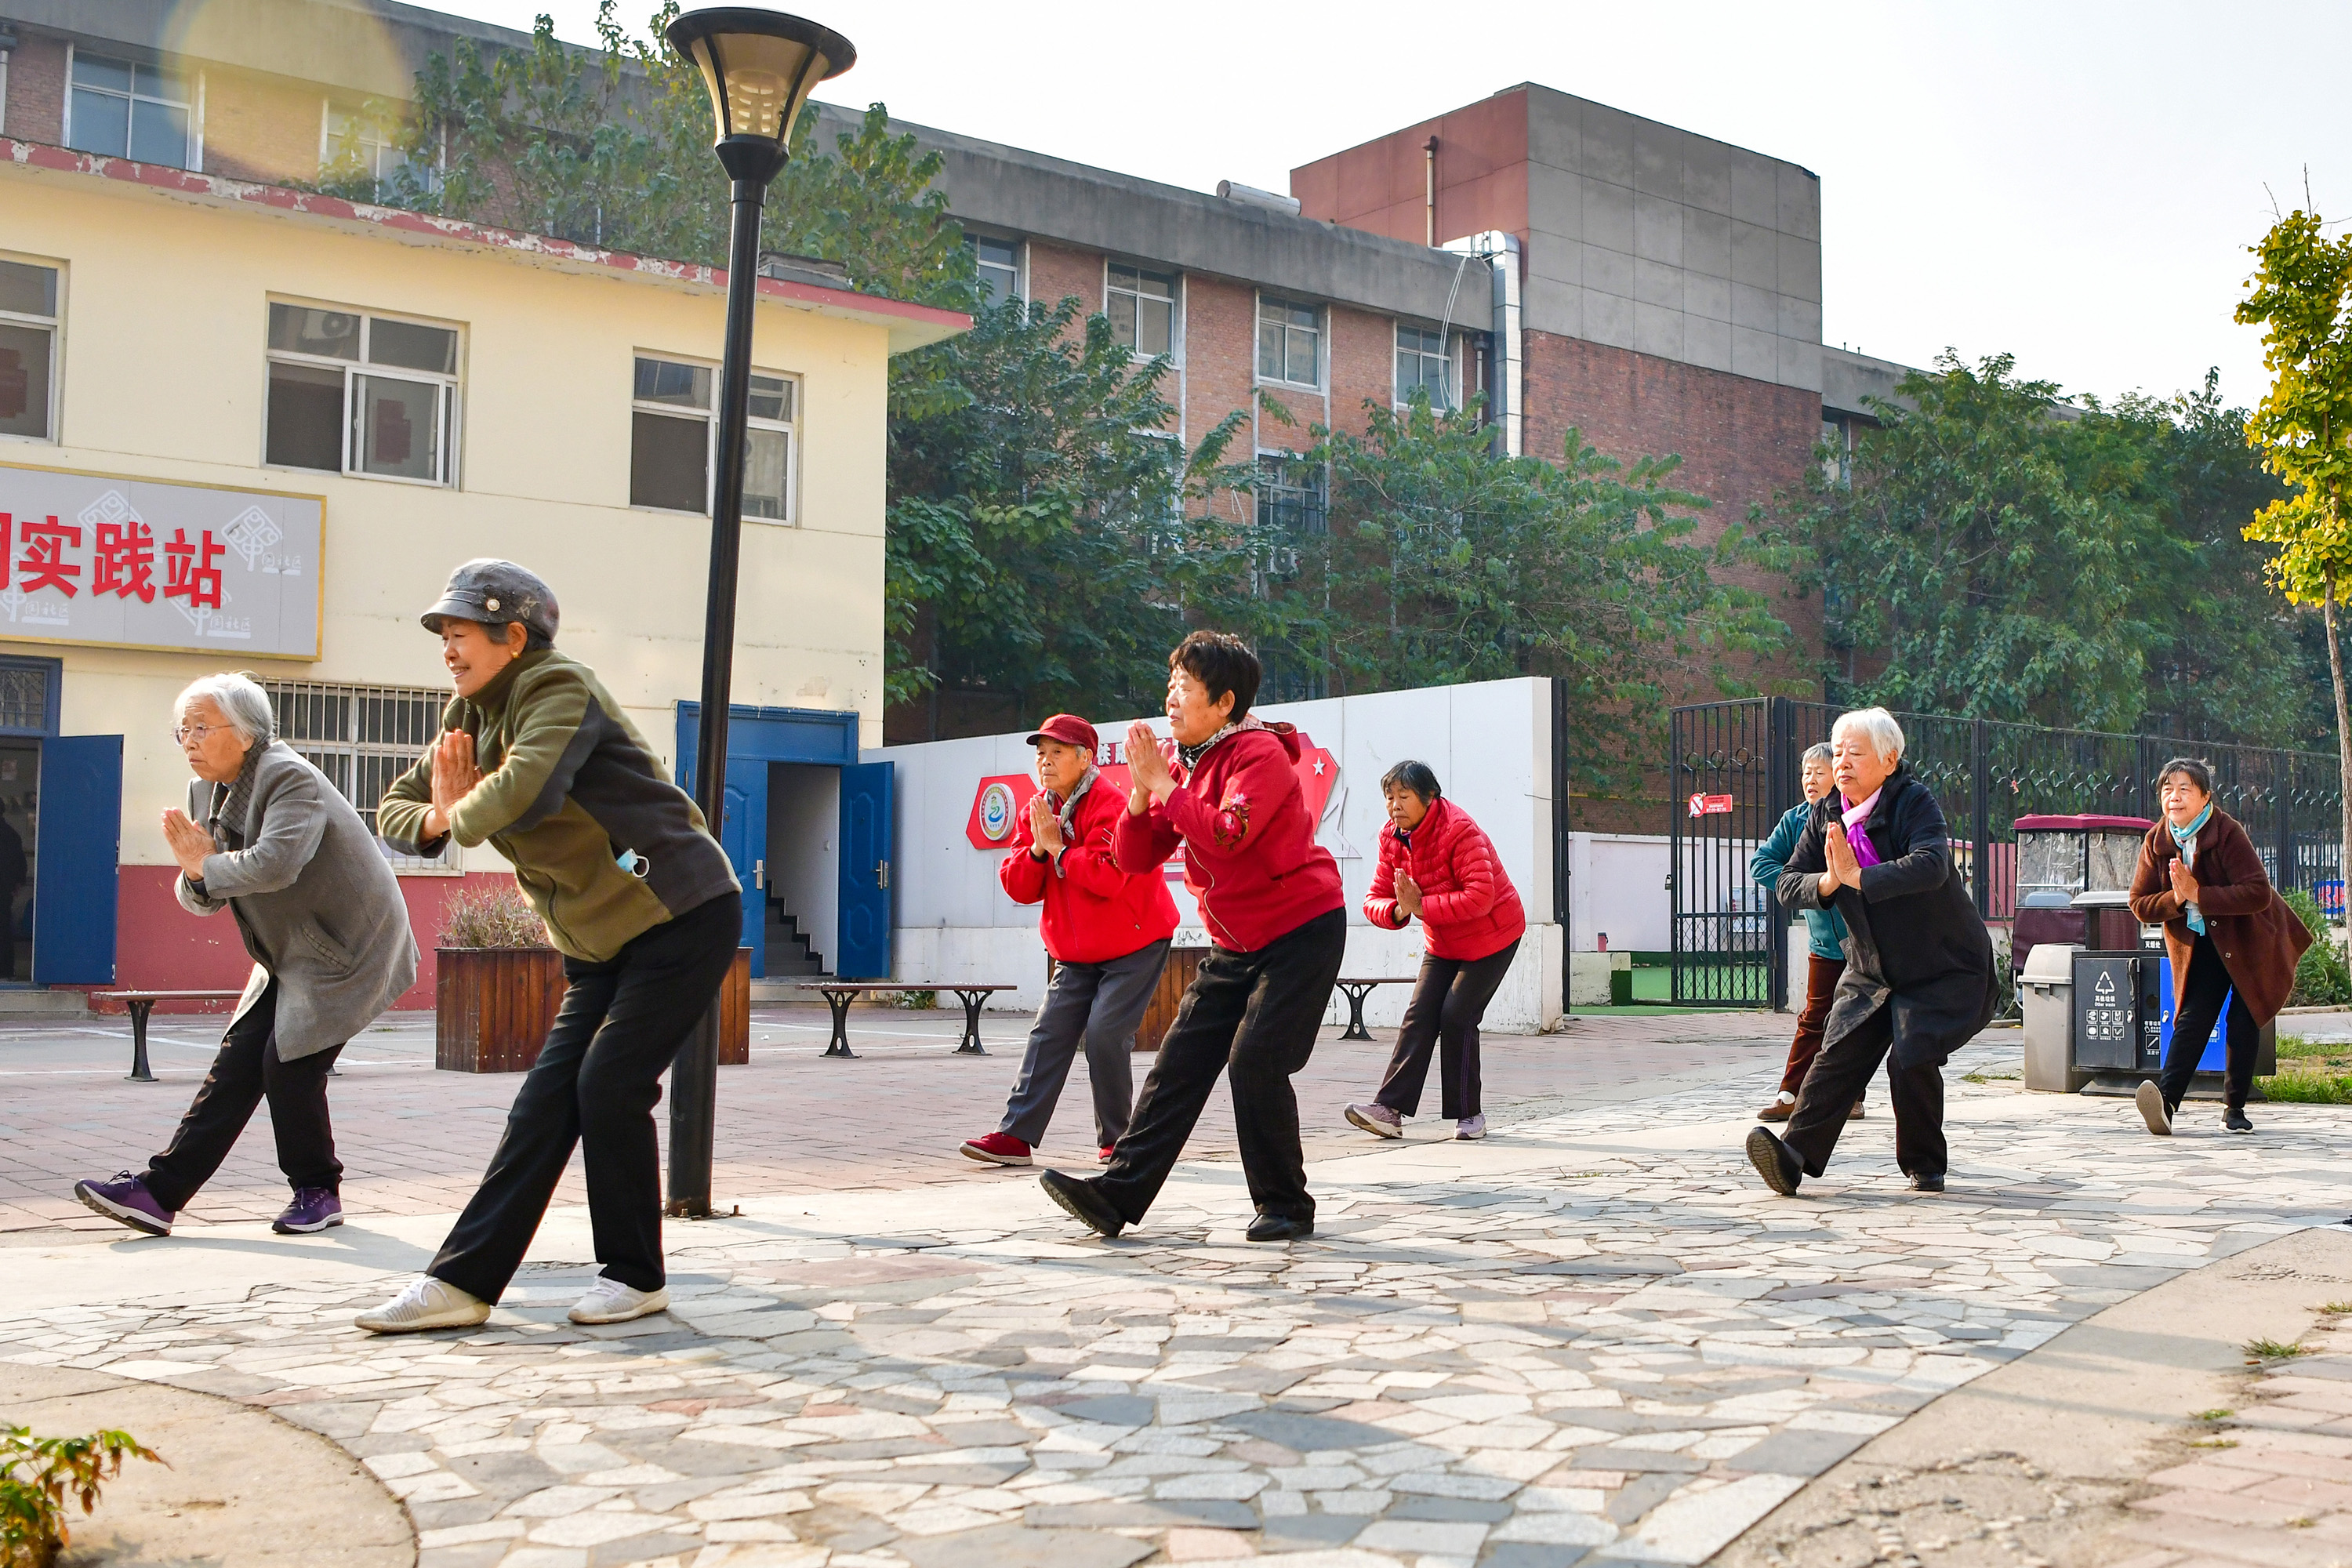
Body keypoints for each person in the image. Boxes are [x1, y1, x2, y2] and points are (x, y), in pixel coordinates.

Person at [356, 561, 741, 1334]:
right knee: (542, 1105)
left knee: (607, 1084)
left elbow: (527, 787)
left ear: (515, 637)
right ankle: (462, 1281)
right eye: (446, 637)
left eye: (460, 634)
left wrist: (452, 809)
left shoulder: (558, 687)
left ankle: (634, 1275)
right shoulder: (466, 714)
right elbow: (396, 808)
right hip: (599, 938)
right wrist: (437, 819)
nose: (449, 650)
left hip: (678, 904)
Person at [74, 673, 418, 1238]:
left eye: (201, 727)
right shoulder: (202, 790)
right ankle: (159, 1194)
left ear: (246, 732)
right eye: (181, 729)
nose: (188, 739)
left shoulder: (289, 778)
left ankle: (317, 1192)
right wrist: (197, 873)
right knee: (237, 1065)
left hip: (347, 948)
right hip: (288, 952)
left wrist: (203, 868)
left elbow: (275, 864)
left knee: (287, 1065)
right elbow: (204, 891)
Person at [1036, 632, 1345, 1243]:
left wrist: (1167, 788)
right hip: (1236, 942)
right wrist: (1140, 796)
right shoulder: (1183, 762)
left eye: (1184, 689)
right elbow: (1134, 856)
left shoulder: (1259, 755)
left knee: (1253, 1059)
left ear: (1224, 702)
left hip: (1301, 929)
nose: (1170, 701)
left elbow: (1230, 833)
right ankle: (1115, 1196)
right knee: (1177, 1064)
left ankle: (1286, 1206)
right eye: (1170, 687)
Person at [1744, 708, 1994, 1196]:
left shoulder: (1912, 802)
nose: (1843, 763)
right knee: (1838, 1053)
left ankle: (1925, 1166)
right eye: (1838, 752)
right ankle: (1793, 1157)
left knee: (1911, 1051)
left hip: (1940, 963)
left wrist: (1861, 877)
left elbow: (1932, 865)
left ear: (1889, 759)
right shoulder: (1825, 814)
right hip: (1872, 964)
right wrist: (1829, 879)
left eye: (1856, 753)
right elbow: (1787, 881)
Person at [960, 713, 1178, 1167]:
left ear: (1086, 758)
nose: (1046, 761)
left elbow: (1108, 878)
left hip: (1135, 943)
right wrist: (1039, 848)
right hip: (1075, 953)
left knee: (1104, 1034)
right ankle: (1015, 1137)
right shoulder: (1037, 809)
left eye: (1057, 752)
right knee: (1049, 1033)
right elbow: (1019, 886)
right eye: (1041, 753)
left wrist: (1059, 849)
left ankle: (1118, 1140)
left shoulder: (1110, 802)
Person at [1342, 760, 1526, 1142]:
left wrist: (1422, 906)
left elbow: (1481, 896)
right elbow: (1375, 898)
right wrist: (1398, 909)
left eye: (1404, 797)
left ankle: (1469, 1115)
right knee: (1419, 1015)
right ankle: (1388, 1110)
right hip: (1442, 939)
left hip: (1493, 935)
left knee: (1457, 1014)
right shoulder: (1390, 837)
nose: (1395, 806)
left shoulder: (1460, 830)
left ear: (1430, 798)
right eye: (1389, 798)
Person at [2127, 757, 2310, 1135]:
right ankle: (2166, 1104)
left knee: (2243, 1020)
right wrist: (2178, 900)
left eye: (2184, 789)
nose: (2174, 798)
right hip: (2200, 942)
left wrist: (2200, 894)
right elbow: (2139, 902)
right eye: (2167, 790)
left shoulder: (2227, 832)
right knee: (2194, 1018)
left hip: (2250, 939)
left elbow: (2258, 892)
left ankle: (2235, 1107)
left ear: (2205, 796)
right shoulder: (2157, 842)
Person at [1749, 742, 1864, 1123]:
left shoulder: (1855, 814)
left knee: (1859, 1019)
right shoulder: (1795, 819)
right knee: (1815, 1016)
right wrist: (1809, 886)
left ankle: (1851, 1096)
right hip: (1824, 944)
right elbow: (1762, 863)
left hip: (1865, 942)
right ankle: (1789, 1093)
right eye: (1805, 773)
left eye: (1819, 772)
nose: (1810, 780)